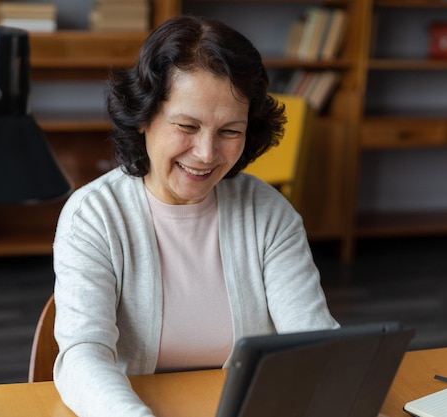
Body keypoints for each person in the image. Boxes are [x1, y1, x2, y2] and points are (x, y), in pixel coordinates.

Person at [52, 14, 339, 417]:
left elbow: (314, 341)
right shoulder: (94, 215)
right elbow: (83, 354)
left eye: (230, 131)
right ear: (144, 118)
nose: (206, 154)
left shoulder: (269, 213)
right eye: (187, 126)